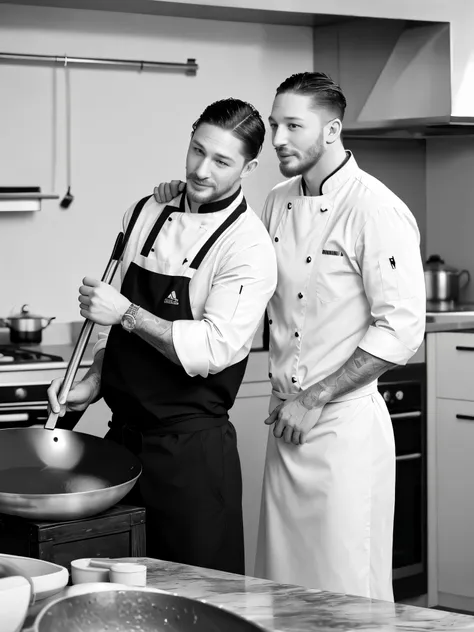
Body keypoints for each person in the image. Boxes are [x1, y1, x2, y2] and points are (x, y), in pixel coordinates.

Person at [153, 72, 426, 600]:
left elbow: (402, 327)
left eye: (292, 125)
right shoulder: (276, 200)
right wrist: (182, 201)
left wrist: (317, 396)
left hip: (341, 427)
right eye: (275, 123)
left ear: (332, 130)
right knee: (283, 590)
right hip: (287, 423)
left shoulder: (375, 208)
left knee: (346, 594)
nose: (277, 138)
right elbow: (234, 257)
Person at [47, 98, 278, 575]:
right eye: (197, 150)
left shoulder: (249, 246)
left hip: (190, 460)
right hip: (121, 450)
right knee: (119, 595)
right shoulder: (145, 211)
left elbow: (211, 350)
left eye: (222, 161)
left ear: (250, 167)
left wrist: (127, 312)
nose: (201, 169)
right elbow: (109, 331)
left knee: (197, 600)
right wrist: (93, 380)